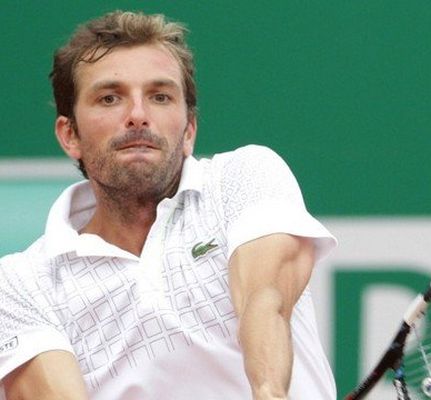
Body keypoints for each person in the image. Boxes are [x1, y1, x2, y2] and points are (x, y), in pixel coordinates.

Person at [0, 10, 337, 400]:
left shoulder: (243, 179)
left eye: (160, 96)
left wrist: (269, 393)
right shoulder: (22, 285)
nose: (138, 116)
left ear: (189, 130)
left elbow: (266, 301)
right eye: (110, 98)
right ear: (70, 135)